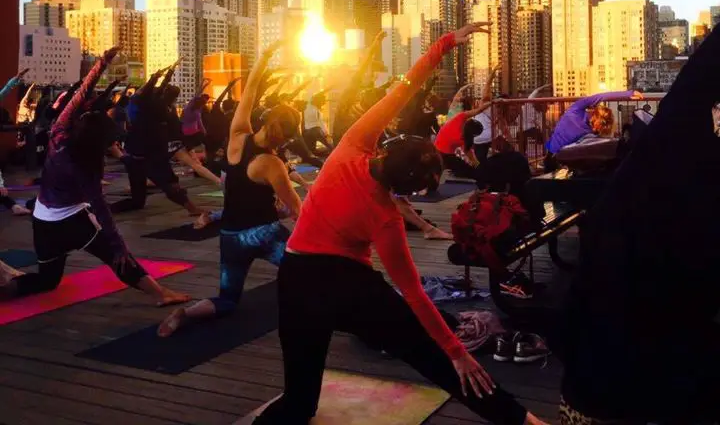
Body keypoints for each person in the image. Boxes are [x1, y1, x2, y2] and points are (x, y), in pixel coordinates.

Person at [251, 24, 547, 425]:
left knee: (299, 402)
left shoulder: (353, 145)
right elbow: (414, 294)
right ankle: (525, 421)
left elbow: (403, 88)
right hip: (349, 288)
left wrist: (443, 45)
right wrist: (457, 353)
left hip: (296, 278)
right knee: (431, 357)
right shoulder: (386, 218)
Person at [558, 25, 720, 424]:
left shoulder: (637, 183)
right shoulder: (693, 191)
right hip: (649, 384)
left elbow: (691, 90)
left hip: (593, 382)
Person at [0, 47, 189, 306]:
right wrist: (120, 247)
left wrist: (102, 64)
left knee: (47, 280)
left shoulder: (59, 133)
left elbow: (80, 95)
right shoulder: (86, 167)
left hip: (42, 220)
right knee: (115, 256)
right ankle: (161, 294)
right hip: (70, 221)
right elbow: (102, 214)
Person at [158, 41, 303, 337]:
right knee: (307, 273)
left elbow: (249, 93)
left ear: (267, 119)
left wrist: (262, 59)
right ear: (287, 137)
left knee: (227, 300)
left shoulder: (237, 135)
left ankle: (185, 313)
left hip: (231, 238)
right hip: (264, 234)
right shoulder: (272, 164)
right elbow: (296, 209)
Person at [114, 64, 205, 216]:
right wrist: (158, 77)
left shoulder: (157, 105)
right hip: (143, 156)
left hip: (146, 155)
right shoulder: (148, 105)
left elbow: (156, 89)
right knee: (160, 189)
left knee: (159, 190)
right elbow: (151, 89)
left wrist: (166, 74)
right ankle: (104, 209)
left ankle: (191, 208)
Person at [545, 89, 643, 157]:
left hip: (550, 155)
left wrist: (629, 93)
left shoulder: (575, 110)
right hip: (566, 159)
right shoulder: (591, 133)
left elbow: (601, 96)